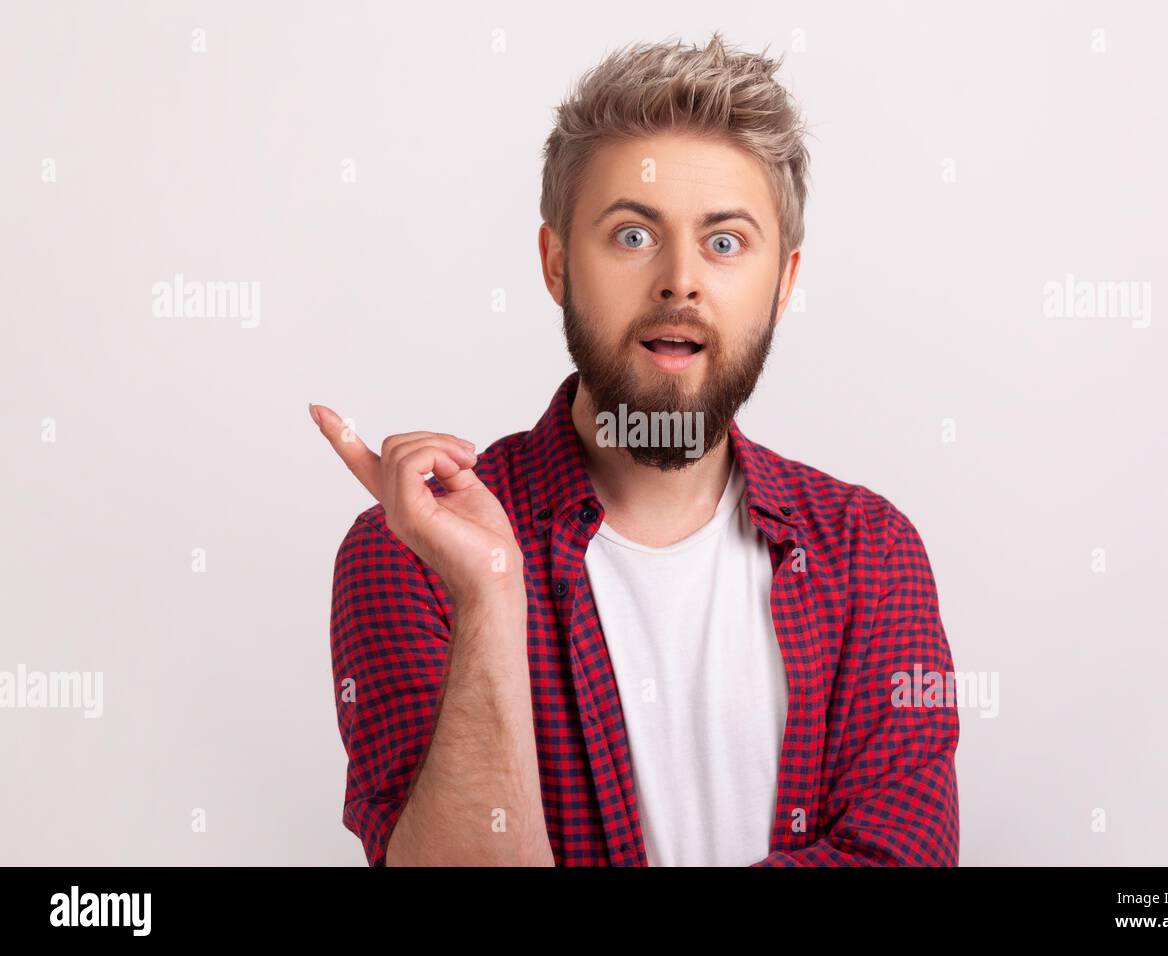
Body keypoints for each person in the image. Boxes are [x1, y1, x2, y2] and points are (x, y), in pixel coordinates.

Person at [311, 32, 959, 867]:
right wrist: (490, 598)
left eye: (725, 242)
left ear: (784, 283)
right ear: (555, 264)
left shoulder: (871, 550)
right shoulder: (410, 554)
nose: (680, 280)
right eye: (631, 235)